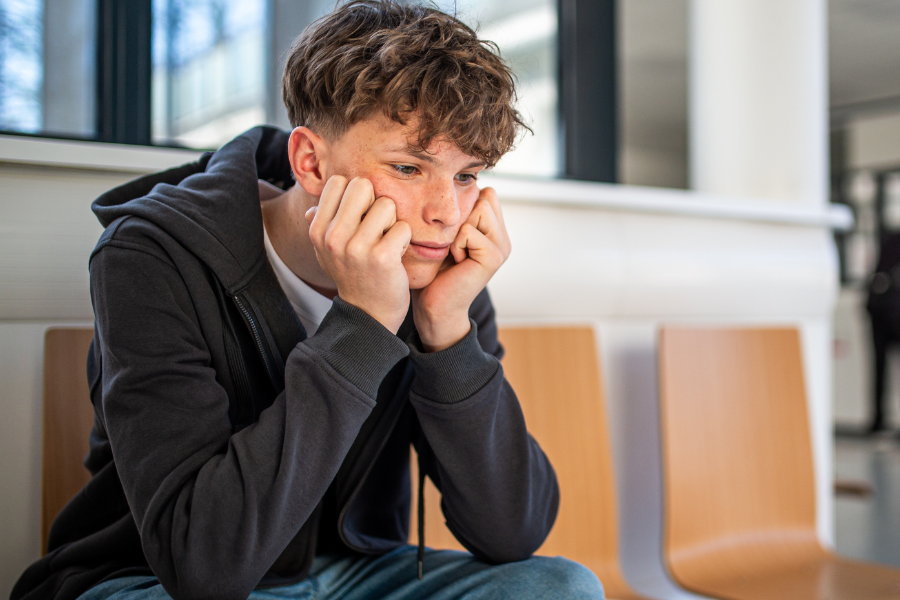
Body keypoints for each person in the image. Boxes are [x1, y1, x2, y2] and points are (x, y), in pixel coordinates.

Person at [12, 2, 605, 599]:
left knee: (563, 586)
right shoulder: (151, 256)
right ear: (311, 163)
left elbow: (511, 534)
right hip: (152, 582)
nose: (446, 214)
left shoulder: (436, 266)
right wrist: (365, 324)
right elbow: (203, 565)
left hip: (358, 571)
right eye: (408, 166)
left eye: (466, 175)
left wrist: (446, 329)